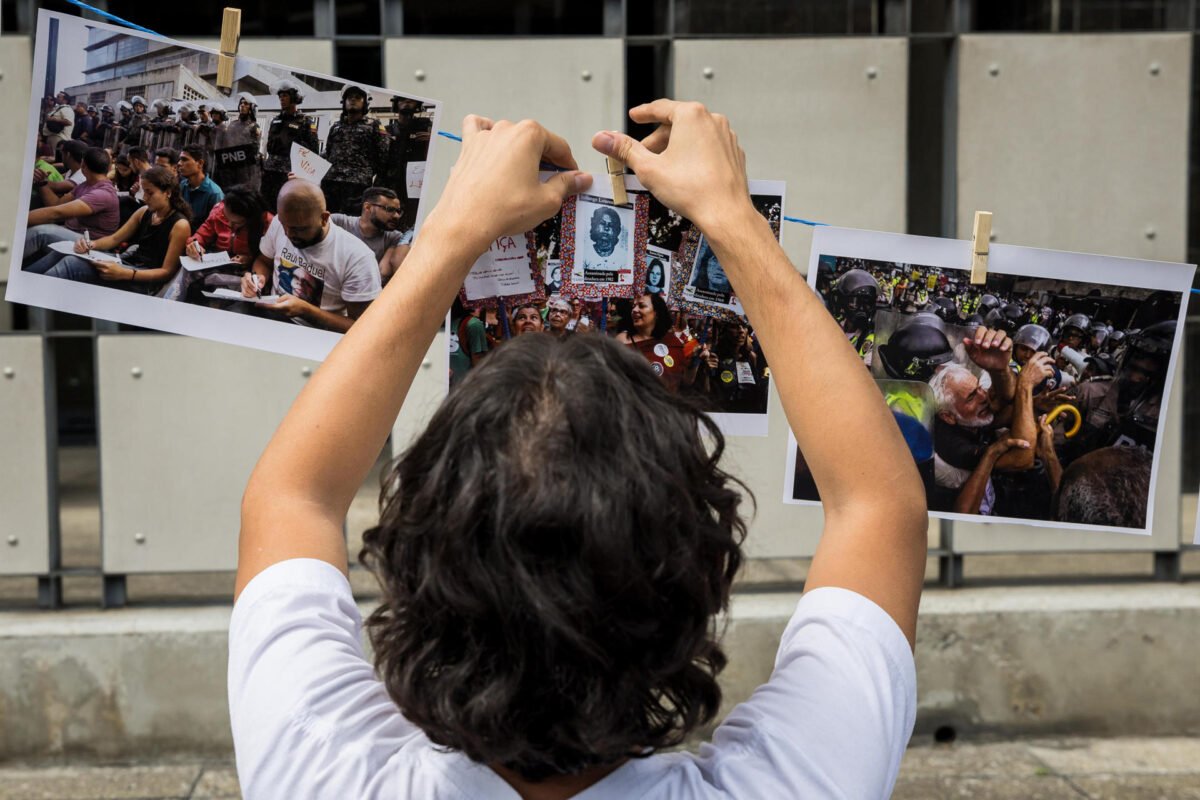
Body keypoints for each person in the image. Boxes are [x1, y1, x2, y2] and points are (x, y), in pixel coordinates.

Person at [230, 103, 924, 800]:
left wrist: (450, 235)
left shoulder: (318, 771)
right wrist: (734, 220)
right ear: (697, 581)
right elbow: (878, 502)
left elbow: (291, 497)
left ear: (409, 565)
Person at [240, 179, 380, 332]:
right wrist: (256, 278)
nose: (289, 234)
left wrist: (306, 311)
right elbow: (264, 261)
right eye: (284, 225)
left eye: (300, 229)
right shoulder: (281, 223)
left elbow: (361, 328)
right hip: (271, 316)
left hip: (316, 333)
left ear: (324, 218)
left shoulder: (357, 257)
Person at [30, 165, 190, 294]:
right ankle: (28, 281)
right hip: (128, 263)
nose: (145, 198)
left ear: (167, 193)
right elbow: (114, 239)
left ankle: (31, 293)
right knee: (67, 252)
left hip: (142, 279)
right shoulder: (144, 212)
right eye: (144, 192)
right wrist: (90, 245)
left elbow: (166, 272)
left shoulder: (179, 225)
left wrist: (125, 273)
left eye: (150, 193)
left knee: (72, 264)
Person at [164, 186, 272, 303]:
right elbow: (201, 234)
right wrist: (195, 245)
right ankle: (170, 304)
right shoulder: (219, 211)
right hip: (219, 264)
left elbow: (266, 258)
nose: (229, 225)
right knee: (187, 272)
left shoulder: (266, 223)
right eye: (226, 218)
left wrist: (250, 258)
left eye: (236, 223)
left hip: (247, 272)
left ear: (249, 219)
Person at [24, 147, 121, 274]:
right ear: (108, 168)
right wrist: (42, 183)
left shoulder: (102, 194)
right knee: (34, 270)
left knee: (41, 232)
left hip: (92, 245)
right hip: (72, 238)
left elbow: (56, 213)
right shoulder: (85, 185)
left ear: (83, 166)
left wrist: (18, 221)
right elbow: (56, 204)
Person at [321, 85, 388, 214]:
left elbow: (383, 155)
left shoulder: (374, 125)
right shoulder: (336, 126)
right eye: (349, 98)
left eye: (358, 98)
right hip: (331, 182)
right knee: (328, 218)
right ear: (344, 103)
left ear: (365, 103)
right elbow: (328, 152)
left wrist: (366, 173)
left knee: (353, 222)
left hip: (358, 184)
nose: (352, 100)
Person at [614, 291, 697, 391]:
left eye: (641, 306)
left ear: (656, 313)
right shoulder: (622, 340)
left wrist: (694, 363)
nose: (634, 310)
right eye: (633, 306)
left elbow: (685, 381)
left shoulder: (672, 342)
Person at [330, 187, 410, 283]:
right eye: (390, 209)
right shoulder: (337, 222)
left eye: (398, 211)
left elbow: (382, 275)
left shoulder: (394, 237)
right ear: (368, 207)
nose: (396, 216)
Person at [261, 80, 319, 212]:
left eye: (285, 96)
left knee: (286, 208)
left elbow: (313, 151)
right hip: (270, 170)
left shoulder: (305, 121)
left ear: (294, 98)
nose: (281, 99)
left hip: (290, 173)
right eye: (280, 96)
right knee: (266, 207)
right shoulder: (275, 120)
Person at [212, 93, 262, 191]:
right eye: (241, 103)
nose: (242, 105)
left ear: (252, 108)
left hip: (244, 172)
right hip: (228, 169)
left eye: (246, 104)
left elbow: (253, 152)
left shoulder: (254, 127)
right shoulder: (232, 124)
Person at [42, 91, 74, 156]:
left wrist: (54, 119)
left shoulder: (66, 109)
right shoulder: (59, 108)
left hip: (59, 138)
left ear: (65, 100)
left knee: (54, 157)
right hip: (53, 136)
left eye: (58, 97)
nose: (56, 98)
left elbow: (68, 122)